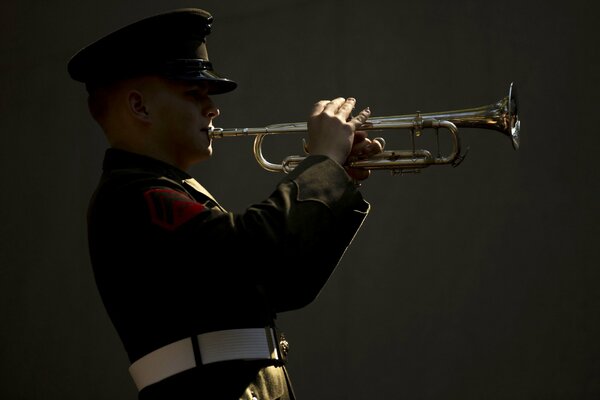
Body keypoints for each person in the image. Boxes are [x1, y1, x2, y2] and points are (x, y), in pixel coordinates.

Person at [68, 8, 383, 400]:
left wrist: (338, 181)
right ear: (140, 107)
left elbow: (286, 284)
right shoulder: (135, 195)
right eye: (194, 94)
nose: (213, 109)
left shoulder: (169, 188)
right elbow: (255, 252)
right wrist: (322, 166)